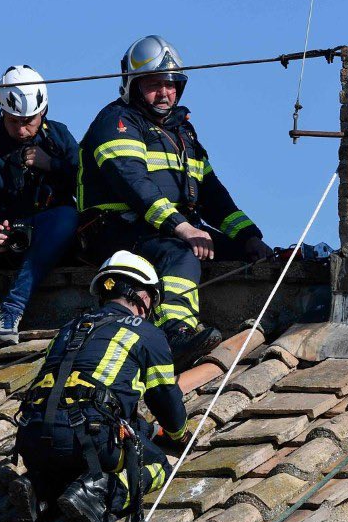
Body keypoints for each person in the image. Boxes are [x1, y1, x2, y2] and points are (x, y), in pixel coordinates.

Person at [78, 35, 273, 370]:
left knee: (240, 254)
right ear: (131, 85)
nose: (164, 93)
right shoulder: (116, 123)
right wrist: (181, 227)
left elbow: (212, 193)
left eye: (171, 85)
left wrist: (249, 238)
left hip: (164, 231)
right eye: (154, 84)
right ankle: (175, 331)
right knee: (180, 253)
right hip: (115, 233)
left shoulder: (183, 133)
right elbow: (134, 184)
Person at [11, 251, 189, 522]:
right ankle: (98, 496)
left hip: (32, 437)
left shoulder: (68, 329)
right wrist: (180, 434)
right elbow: (163, 397)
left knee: (71, 456)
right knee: (157, 466)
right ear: (142, 295)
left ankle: (39, 487)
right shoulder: (147, 332)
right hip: (88, 440)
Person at [0, 65, 80, 347]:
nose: (23, 130)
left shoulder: (58, 137)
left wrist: (53, 165)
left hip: (60, 237)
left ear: (43, 112)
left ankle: (13, 307)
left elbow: (88, 179)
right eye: (14, 122)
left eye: (30, 121)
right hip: (10, 247)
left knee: (66, 216)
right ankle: (10, 311)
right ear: (1, 113)